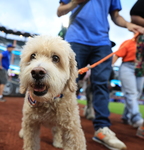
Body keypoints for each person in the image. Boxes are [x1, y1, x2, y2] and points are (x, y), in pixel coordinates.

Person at [57, 0, 144, 149]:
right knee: (68, 84)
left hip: (102, 43)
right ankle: (60, 127)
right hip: (75, 39)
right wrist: (75, 3)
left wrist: (127, 24)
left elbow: (115, 16)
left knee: (102, 84)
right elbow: (60, 11)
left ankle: (102, 128)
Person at [112, 35, 143, 128]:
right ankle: (136, 118)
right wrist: (109, 67)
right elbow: (117, 55)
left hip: (141, 68)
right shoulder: (129, 42)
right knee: (131, 93)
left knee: (137, 94)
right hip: (128, 66)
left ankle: (126, 116)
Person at [130, 0, 144, 139]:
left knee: (137, 92)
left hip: (139, 64)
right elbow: (134, 15)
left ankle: (127, 115)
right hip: (132, 63)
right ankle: (135, 118)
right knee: (133, 92)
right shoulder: (130, 44)